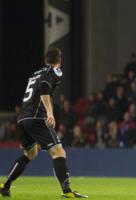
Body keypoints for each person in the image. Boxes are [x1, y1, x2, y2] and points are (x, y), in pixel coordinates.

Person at [0, 47, 87, 198]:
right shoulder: (55, 71)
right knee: (59, 152)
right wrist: (50, 113)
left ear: (45, 59)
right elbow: (44, 88)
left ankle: (5, 186)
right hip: (37, 117)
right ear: (59, 59)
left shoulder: (35, 74)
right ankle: (67, 191)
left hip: (23, 118)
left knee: (30, 153)